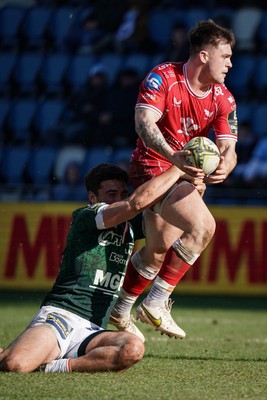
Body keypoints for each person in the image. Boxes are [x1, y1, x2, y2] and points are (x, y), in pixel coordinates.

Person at [0, 161, 202, 373]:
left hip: (93, 330)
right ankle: (28, 355)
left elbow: (170, 227)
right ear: (92, 197)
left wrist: (190, 191)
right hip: (60, 318)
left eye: (123, 193)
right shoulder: (86, 216)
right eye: (111, 194)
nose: (119, 199)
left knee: (132, 349)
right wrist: (178, 167)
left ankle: (50, 367)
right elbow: (135, 203)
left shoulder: (129, 226)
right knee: (15, 365)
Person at [110, 19, 238, 339]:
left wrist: (226, 165)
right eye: (226, 56)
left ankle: (120, 309)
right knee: (204, 227)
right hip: (151, 167)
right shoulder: (163, 77)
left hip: (183, 172)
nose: (231, 63)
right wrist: (174, 156)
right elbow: (144, 123)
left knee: (157, 249)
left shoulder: (224, 97)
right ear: (205, 56)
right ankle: (156, 301)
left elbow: (228, 146)